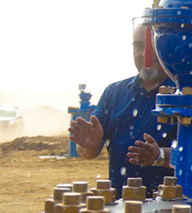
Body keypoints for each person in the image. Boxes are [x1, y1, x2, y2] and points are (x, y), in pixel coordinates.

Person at [69, 23, 176, 192]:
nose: (145, 55)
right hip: (122, 207)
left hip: (174, 209)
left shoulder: (188, 96)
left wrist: (161, 156)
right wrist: (90, 144)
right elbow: (87, 152)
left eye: (154, 46)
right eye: (138, 46)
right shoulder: (114, 93)